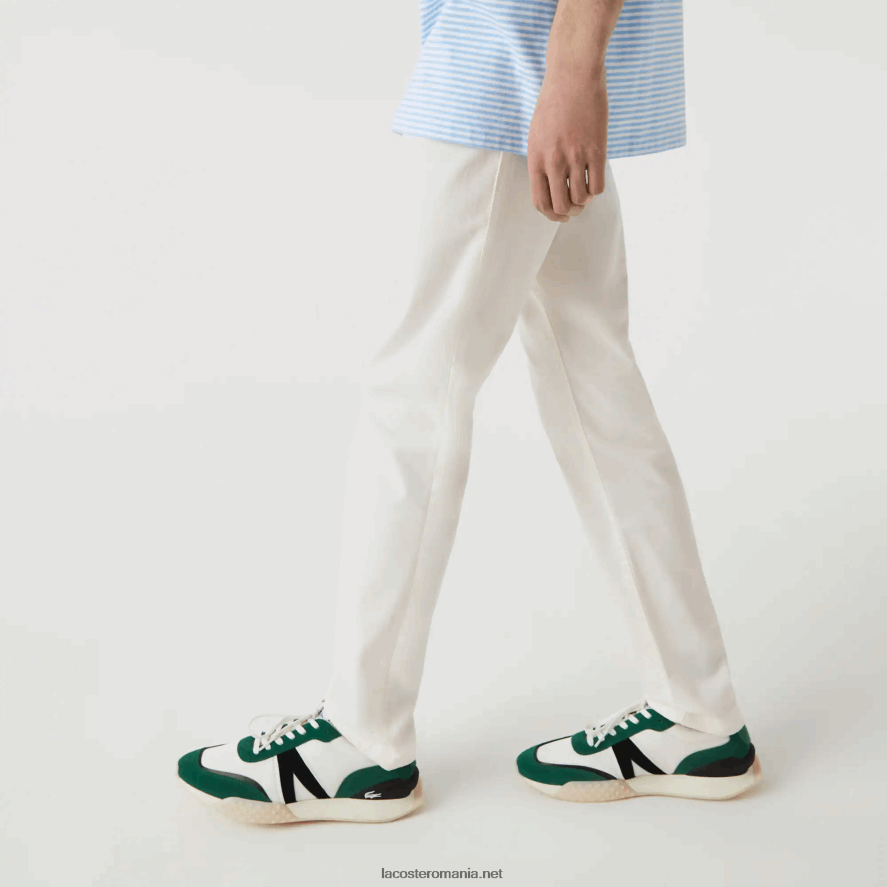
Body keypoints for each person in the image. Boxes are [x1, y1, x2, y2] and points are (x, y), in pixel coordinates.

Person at [177, 0, 761, 824]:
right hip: (530, 63)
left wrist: (569, 70)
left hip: (511, 62)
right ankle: (698, 714)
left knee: (415, 391)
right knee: (594, 386)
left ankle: (362, 738)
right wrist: (571, 69)